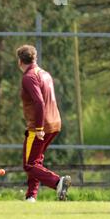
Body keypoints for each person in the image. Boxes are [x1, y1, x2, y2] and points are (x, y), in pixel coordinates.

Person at [16, 45, 70, 202]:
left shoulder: (28, 77)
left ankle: (58, 182)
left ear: (19, 61)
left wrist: (39, 128)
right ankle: (31, 196)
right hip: (54, 123)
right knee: (36, 161)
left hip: (40, 126)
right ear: (35, 58)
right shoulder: (44, 73)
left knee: (29, 165)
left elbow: (39, 102)